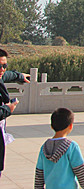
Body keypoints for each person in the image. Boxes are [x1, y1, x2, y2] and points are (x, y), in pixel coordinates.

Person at [35, 108, 84, 189]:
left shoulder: (44, 148)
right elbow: (81, 172)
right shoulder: (71, 147)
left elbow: (39, 175)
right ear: (70, 126)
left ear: (52, 126)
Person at [0, 48, 31, 179]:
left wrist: (20, 76)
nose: (2, 69)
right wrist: (8, 109)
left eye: (4, 65)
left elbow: (7, 75)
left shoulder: (1, 76)